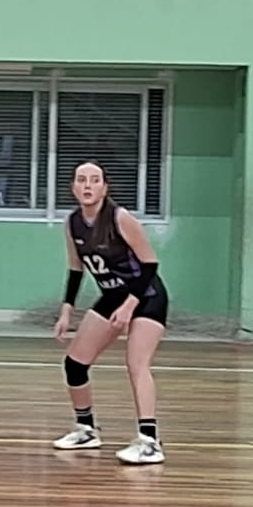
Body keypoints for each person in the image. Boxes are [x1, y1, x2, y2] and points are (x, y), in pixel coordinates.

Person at [52, 161, 168, 466]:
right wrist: (66, 310)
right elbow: (76, 269)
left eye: (94, 180)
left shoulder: (120, 218)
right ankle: (86, 430)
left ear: (105, 187)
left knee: (136, 364)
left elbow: (150, 264)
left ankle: (150, 441)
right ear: (73, 187)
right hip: (113, 296)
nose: (87, 185)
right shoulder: (72, 223)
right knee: (75, 364)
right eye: (81, 180)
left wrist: (130, 306)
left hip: (146, 295)